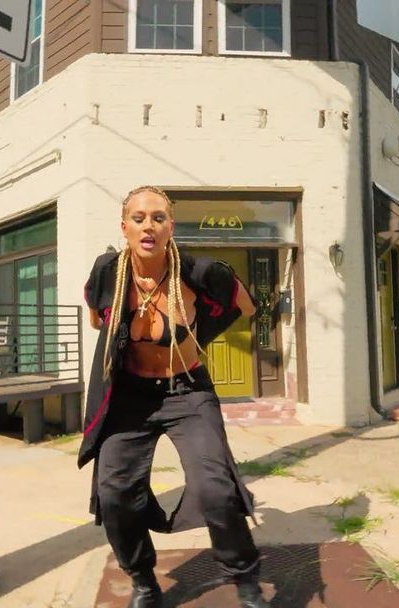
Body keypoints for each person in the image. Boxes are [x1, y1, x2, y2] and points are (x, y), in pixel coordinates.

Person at [77, 186, 271, 608]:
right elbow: (97, 318)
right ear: (124, 227)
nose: (149, 226)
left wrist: (201, 332)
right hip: (130, 395)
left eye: (158, 218)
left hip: (187, 391)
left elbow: (247, 306)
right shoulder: (108, 272)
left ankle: (244, 577)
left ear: (171, 227)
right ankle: (143, 581)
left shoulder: (200, 273)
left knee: (215, 486)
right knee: (114, 492)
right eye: (139, 218)